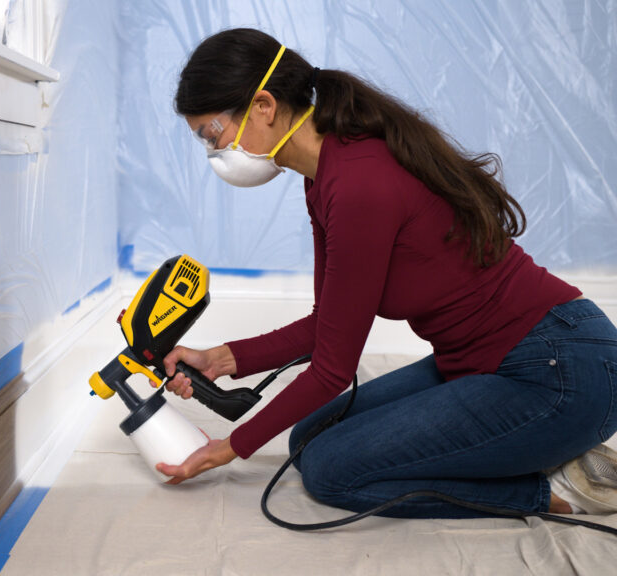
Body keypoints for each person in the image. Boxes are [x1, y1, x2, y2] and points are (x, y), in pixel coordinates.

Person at [158, 28, 617, 518]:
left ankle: (556, 491)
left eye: (213, 134)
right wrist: (221, 359)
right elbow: (327, 325)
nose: (215, 153)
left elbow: (333, 369)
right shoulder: (324, 177)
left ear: (264, 106)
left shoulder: (357, 182)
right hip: (486, 359)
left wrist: (229, 447)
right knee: (308, 437)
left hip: (558, 369)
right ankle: (527, 447)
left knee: (331, 470)